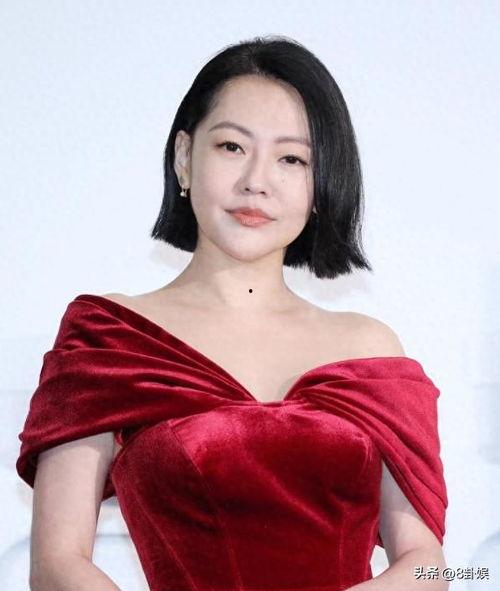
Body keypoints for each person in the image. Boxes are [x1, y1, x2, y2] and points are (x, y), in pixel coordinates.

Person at [16, 35, 448, 591]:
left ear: (321, 184)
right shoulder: (112, 339)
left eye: (291, 158)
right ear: (184, 158)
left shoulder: (370, 351)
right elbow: (57, 564)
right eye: (231, 147)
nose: (256, 182)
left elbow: (433, 565)